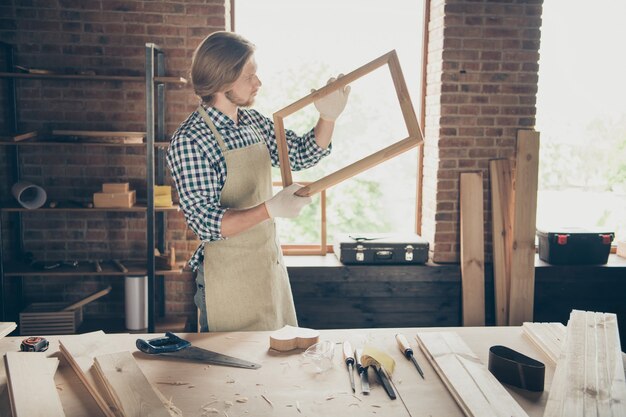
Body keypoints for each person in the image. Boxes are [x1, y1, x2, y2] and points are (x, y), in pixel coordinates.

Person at [167, 31, 350, 332]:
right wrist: (270, 209)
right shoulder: (191, 140)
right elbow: (206, 223)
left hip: (268, 270)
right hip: (228, 280)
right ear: (223, 81)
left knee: (277, 364)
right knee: (234, 374)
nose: (258, 83)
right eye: (249, 76)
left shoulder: (254, 122)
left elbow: (301, 154)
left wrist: (328, 117)